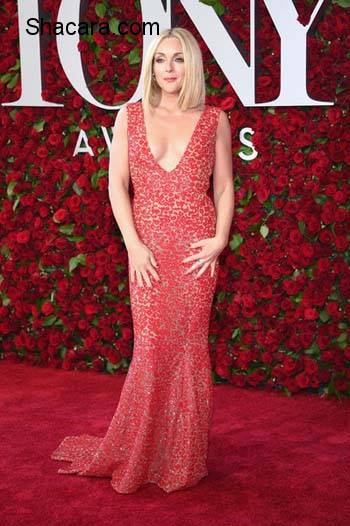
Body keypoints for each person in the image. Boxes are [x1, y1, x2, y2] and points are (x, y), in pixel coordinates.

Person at [51, 26, 234, 494]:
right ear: (149, 67)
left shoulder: (214, 119)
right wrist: (133, 244)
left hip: (195, 253)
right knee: (152, 350)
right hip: (147, 252)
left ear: (190, 65)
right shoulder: (129, 116)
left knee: (190, 350)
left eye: (176, 60)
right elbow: (117, 186)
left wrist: (218, 241)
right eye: (159, 60)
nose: (168, 69)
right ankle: (142, 449)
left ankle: (182, 457)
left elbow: (224, 187)